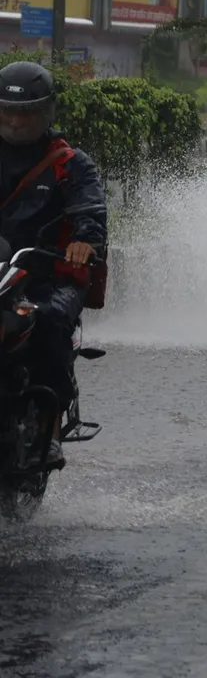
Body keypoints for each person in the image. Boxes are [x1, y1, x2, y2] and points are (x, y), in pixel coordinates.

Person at [0, 61, 107, 470]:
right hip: (1, 271)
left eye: (25, 112)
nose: (15, 121)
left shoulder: (70, 163)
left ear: (46, 112)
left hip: (48, 273)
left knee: (46, 321)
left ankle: (50, 429)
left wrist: (84, 241)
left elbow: (90, 211)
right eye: (7, 111)